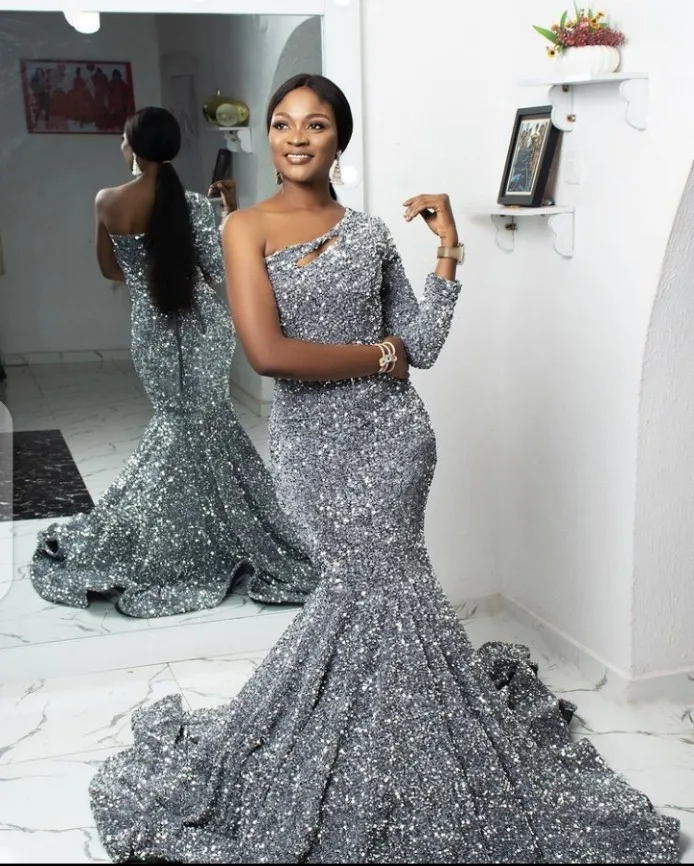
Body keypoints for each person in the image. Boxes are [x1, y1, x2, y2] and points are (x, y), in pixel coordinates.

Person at [88, 81, 679, 862]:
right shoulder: (243, 226)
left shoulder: (368, 233)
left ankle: (396, 758)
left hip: (395, 445)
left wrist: (448, 250)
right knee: (367, 596)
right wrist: (376, 355)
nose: (296, 137)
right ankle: (370, 754)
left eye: (316, 124)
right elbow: (268, 354)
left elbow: (421, 345)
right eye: (283, 124)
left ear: (339, 138)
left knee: (392, 600)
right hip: (312, 450)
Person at [29, 106, 318, 618]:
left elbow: (109, 269)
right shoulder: (193, 205)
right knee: (206, 422)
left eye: (124, 138)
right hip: (204, 327)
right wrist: (226, 215)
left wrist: (149, 266)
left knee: (181, 423)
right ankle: (213, 529)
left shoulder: (108, 200)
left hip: (152, 329)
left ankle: (186, 531)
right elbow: (217, 270)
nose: (121, 145)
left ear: (134, 147)